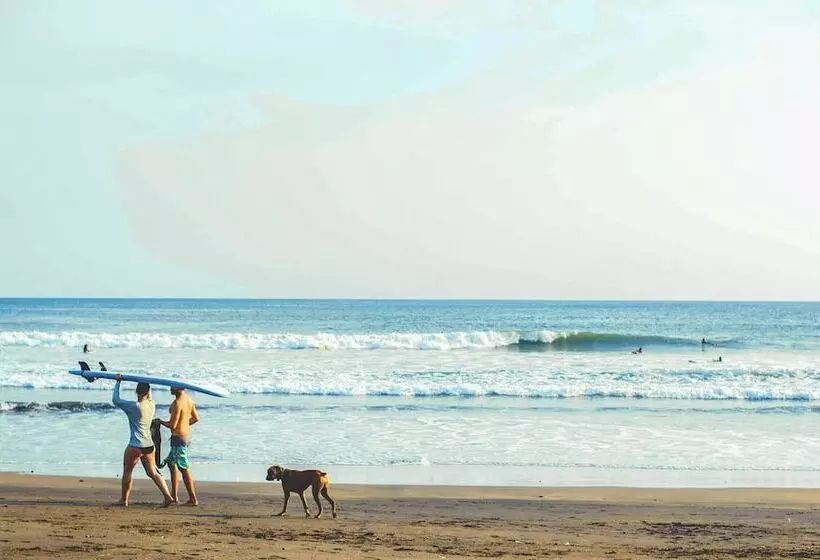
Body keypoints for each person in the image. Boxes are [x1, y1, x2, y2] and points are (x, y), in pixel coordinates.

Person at [112, 375, 174, 507]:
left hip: (135, 445)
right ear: (147, 392)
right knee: (152, 472)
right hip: (149, 445)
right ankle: (168, 496)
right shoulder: (152, 404)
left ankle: (124, 500)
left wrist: (118, 382)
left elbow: (115, 400)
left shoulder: (133, 406)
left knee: (127, 472)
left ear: (136, 392)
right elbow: (148, 394)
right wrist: (146, 381)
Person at [159, 387, 200, 506]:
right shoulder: (188, 399)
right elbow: (196, 418)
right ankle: (174, 496)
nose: (170, 388)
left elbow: (172, 425)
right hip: (185, 437)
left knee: (183, 467)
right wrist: (184, 426)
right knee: (172, 464)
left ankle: (193, 499)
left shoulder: (177, 403)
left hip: (178, 439)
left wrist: (160, 422)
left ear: (178, 388)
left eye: (172, 386)